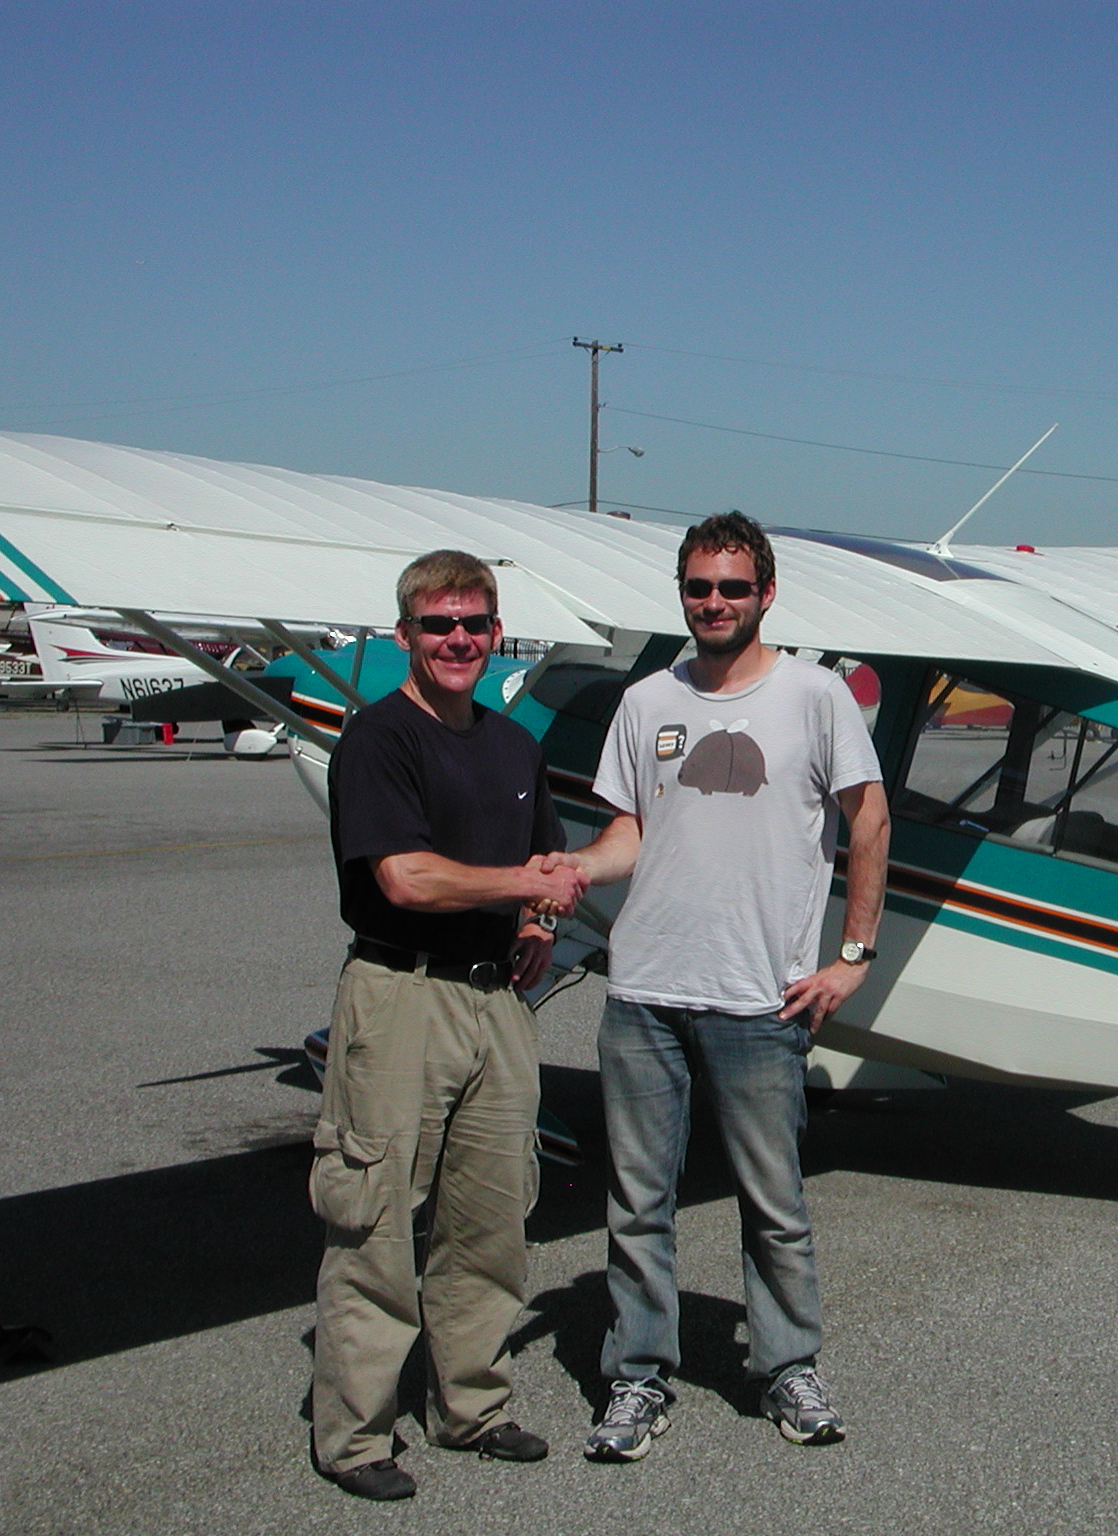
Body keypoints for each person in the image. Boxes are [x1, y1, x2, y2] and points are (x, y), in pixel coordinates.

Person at [553, 511, 889, 1461]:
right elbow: (627, 835)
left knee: (773, 1200)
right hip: (646, 991)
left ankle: (786, 1366)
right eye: (699, 588)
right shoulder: (646, 700)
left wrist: (852, 957)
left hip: (761, 998)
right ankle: (638, 1377)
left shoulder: (817, 697)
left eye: (732, 588)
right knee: (636, 1202)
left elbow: (870, 824)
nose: (714, 603)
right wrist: (572, 871)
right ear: (684, 594)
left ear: (766, 594)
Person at [309, 549, 588, 1501]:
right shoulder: (379, 740)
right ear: (406, 636)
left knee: (491, 1213)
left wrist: (541, 920)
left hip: (497, 999)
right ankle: (354, 1437)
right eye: (439, 625)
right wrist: (526, 888)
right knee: (377, 1216)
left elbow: (545, 853)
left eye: (475, 624)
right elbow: (404, 877)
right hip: (401, 995)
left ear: (497, 635)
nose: (459, 640)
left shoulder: (512, 746)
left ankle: (472, 1402)